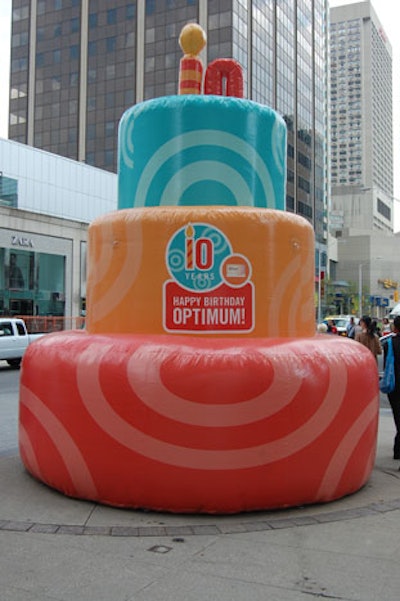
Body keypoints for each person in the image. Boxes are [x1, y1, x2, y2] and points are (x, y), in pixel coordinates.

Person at [382, 315, 400, 460]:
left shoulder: (388, 343)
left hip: (394, 385)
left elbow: (386, 366)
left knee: (398, 416)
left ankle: (398, 449)